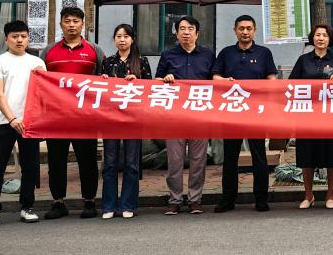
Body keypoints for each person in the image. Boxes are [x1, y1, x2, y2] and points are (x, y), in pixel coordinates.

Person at [40, 6, 105, 220]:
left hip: (85, 118)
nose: (71, 25)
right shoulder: (48, 52)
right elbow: (40, 83)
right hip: (56, 118)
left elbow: (103, 80)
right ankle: (58, 202)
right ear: (60, 24)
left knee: (87, 161)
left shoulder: (94, 50)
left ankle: (89, 201)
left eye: (76, 21)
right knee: (56, 162)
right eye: (67, 21)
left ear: (82, 24)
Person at [212, 15, 278, 213]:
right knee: (230, 158)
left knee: (259, 157)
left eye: (249, 28)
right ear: (235, 31)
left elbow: (272, 79)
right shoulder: (226, 53)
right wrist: (225, 81)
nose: (245, 32)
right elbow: (215, 77)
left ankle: (261, 199)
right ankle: (228, 199)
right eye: (241, 28)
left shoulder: (264, 53)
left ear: (254, 31)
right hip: (232, 112)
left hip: (256, 113)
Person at [0, 20, 46, 228]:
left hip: (29, 123)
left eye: (23, 36)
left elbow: (43, 93)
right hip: (5, 122)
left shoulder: (37, 62)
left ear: (28, 38)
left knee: (31, 167)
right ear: (7, 38)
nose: (19, 40)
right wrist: (12, 119)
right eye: (15, 36)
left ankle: (27, 207)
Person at [155, 16, 216, 215]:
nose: (186, 32)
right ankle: (174, 199)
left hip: (200, 115)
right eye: (182, 29)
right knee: (175, 161)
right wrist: (165, 79)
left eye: (190, 29)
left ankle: (195, 199)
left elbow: (215, 83)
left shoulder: (208, 55)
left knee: (198, 160)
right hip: (175, 116)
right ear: (176, 33)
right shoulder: (168, 55)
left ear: (197, 33)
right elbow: (156, 81)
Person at [288, 24, 333, 209]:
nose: (321, 38)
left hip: (331, 116)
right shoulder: (303, 60)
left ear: (330, 39)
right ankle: (308, 195)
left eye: (324, 35)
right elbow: (291, 84)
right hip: (308, 115)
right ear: (312, 38)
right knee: (307, 155)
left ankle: (330, 195)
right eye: (317, 35)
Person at [99, 24, 152, 219]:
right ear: (114, 39)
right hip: (110, 118)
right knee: (110, 164)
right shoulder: (107, 62)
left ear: (132, 39)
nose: (122, 40)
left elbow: (150, 88)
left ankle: (129, 204)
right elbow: (98, 89)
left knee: (131, 163)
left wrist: (137, 82)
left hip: (133, 119)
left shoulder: (141, 61)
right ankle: (109, 206)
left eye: (126, 36)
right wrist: (102, 79)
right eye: (118, 36)